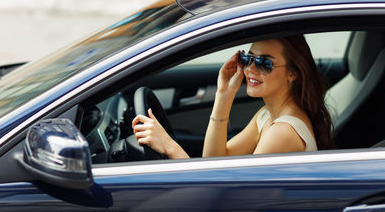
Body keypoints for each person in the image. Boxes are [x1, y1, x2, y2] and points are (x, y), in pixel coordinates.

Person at [132, 35, 333, 159]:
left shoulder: (282, 132)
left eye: (264, 63)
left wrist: (169, 146)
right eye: (248, 58)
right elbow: (215, 159)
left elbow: (213, 191)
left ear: (293, 73)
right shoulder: (266, 115)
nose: (251, 69)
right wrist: (223, 95)